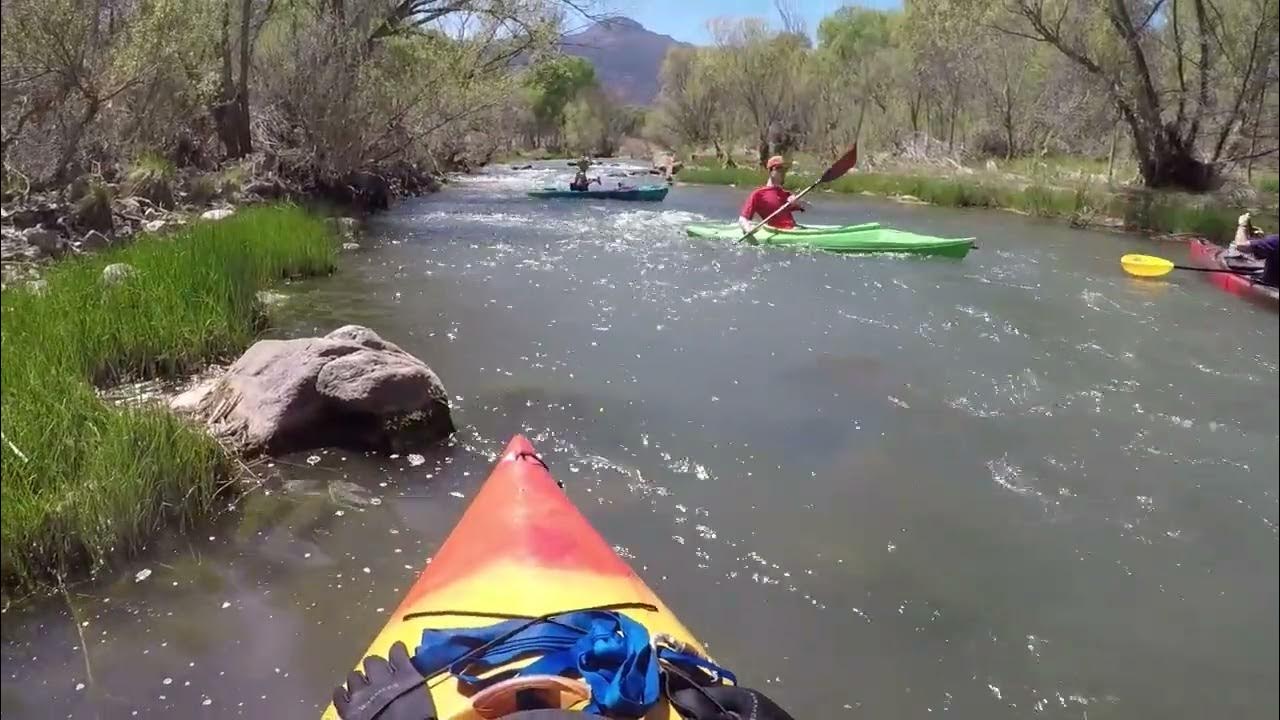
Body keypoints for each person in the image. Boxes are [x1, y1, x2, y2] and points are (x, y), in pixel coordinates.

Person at [738, 155, 807, 234]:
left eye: (785, 170)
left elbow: (811, 210)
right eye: (779, 169)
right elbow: (742, 219)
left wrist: (799, 203)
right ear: (770, 171)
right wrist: (748, 229)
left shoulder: (786, 194)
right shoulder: (758, 194)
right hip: (776, 232)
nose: (783, 173)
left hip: (793, 229)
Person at [1231, 212, 1278, 287]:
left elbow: (1241, 245)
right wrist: (1262, 240)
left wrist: (1242, 226)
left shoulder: (1275, 241)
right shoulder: (1274, 242)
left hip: (1271, 287)